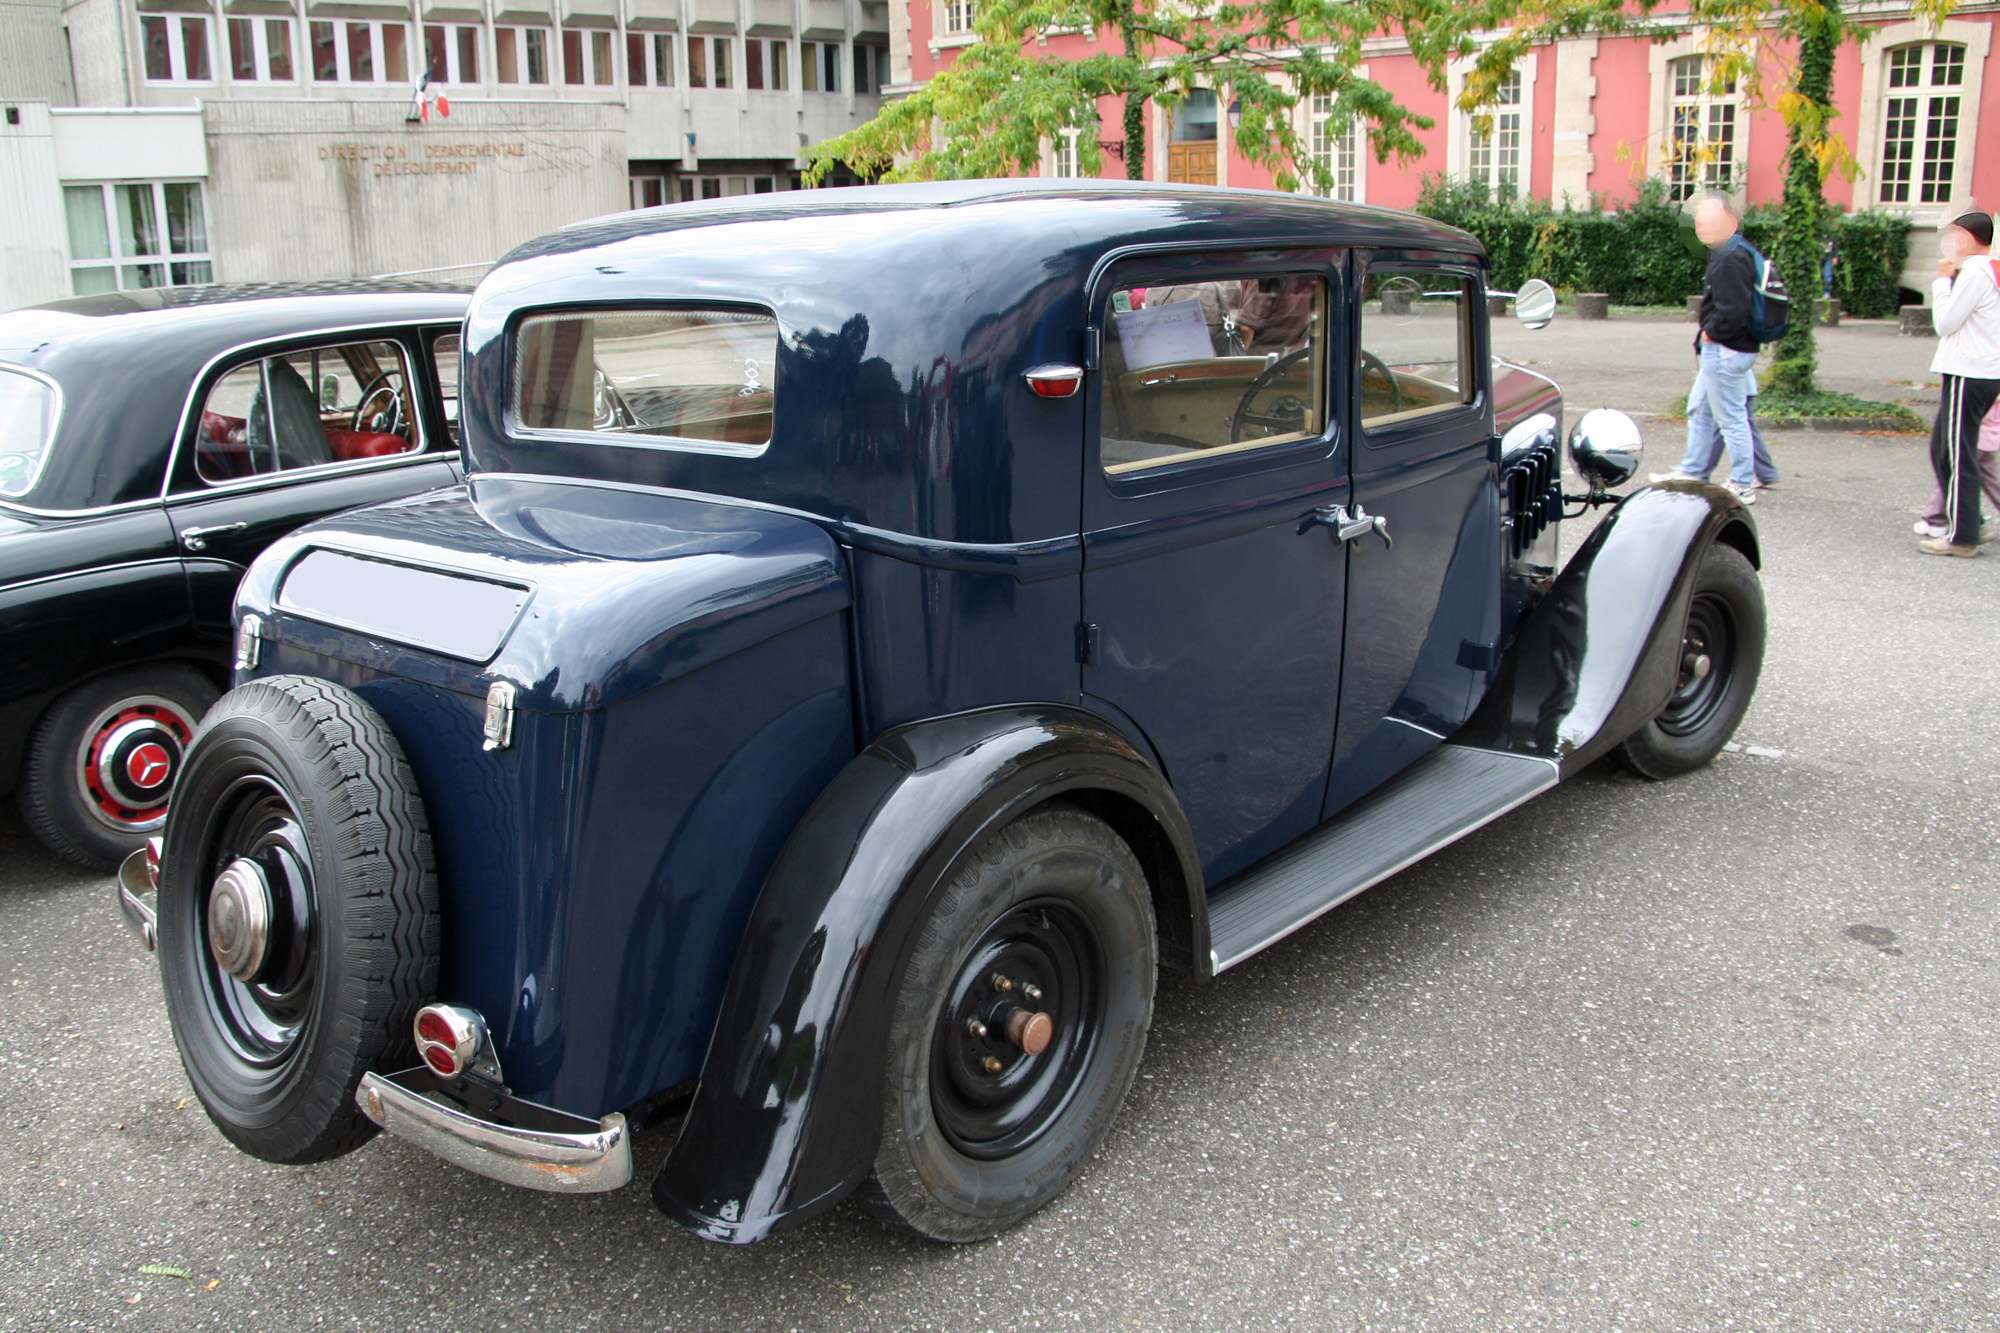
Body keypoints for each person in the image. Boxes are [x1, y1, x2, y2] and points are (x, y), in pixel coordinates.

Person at [1663, 194, 1763, 503]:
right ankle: (1694, 471)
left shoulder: (1730, 256)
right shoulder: (1735, 252)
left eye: (1710, 221)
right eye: (1700, 222)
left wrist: (1711, 334)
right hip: (1728, 349)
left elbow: (1733, 308)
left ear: (1731, 222)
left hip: (1725, 349)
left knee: (1731, 418)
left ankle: (1742, 483)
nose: (1702, 227)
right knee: (1700, 410)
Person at [1920, 209, 2000, 557]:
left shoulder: (1977, 270)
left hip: (1972, 373)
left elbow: (1946, 322)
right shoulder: (1986, 270)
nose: (1948, 243)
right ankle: (1968, 521)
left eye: (1953, 235)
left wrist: (1941, 281)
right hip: (1974, 371)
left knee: (1957, 453)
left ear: (1967, 238)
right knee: (1946, 450)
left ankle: (1962, 536)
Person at [1656, 366, 1781, 488]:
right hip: (1738, 375)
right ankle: (1763, 473)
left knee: (1714, 419)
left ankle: (1695, 472)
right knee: (1735, 424)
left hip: (1725, 369)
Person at [1914, 394, 2000, 543]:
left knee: (1953, 476)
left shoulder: (1988, 390)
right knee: (1992, 482)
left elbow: (1971, 413)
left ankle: (1936, 519)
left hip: (1974, 440)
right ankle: (1937, 517)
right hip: (1989, 441)